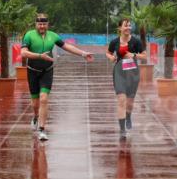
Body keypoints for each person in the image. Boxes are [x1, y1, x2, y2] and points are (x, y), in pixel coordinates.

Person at [20, 13, 93, 141]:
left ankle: (42, 129)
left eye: (44, 24)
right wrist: (39, 56)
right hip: (32, 71)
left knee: (44, 99)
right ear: (35, 24)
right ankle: (36, 116)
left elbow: (67, 46)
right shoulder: (29, 35)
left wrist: (83, 53)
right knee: (35, 102)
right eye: (39, 24)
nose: (42, 26)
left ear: (48, 24)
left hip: (47, 71)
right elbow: (23, 52)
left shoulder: (53, 36)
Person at [106, 18, 146, 137]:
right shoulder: (114, 42)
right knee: (121, 99)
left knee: (130, 102)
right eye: (125, 25)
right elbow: (108, 52)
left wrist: (133, 55)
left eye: (129, 25)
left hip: (133, 73)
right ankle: (122, 129)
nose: (128, 27)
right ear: (120, 28)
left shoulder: (136, 41)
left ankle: (128, 116)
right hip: (119, 72)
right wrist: (110, 57)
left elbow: (144, 56)